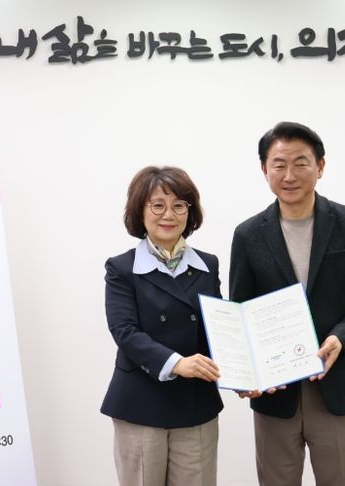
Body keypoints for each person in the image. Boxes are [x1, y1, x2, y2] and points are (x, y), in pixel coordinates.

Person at [229, 122, 345, 486]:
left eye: (300, 163)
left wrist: (341, 337)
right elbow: (239, 310)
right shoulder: (248, 234)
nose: (289, 175)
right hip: (275, 393)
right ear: (264, 169)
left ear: (320, 166)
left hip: (336, 384)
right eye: (279, 164)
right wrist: (245, 372)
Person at [101, 166, 223, 486]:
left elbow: (219, 328)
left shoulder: (208, 264)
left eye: (179, 205)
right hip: (141, 404)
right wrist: (177, 363)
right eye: (158, 205)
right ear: (139, 211)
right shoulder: (122, 268)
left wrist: (245, 370)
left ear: (190, 212)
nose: (169, 214)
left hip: (196, 404)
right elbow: (125, 331)